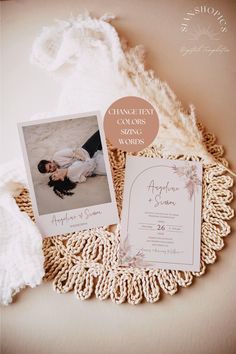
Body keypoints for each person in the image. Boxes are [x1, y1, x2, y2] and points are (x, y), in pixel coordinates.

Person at [37, 130, 102, 174]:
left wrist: (86, 159)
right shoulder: (60, 171)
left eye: (50, 166)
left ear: (49, 161)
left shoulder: (57, 156)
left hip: (85, 151)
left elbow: (74, 152)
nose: (52, 169)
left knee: (101, 132)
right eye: (49, 171)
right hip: (89, 161)